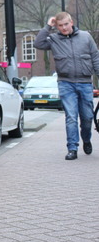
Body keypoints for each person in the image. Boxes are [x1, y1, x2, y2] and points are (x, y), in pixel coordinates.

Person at [35, 12, 99, 160]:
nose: (63, 28)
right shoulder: (53, 39)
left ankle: (87, 139)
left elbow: (95, 57)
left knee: (87, 117)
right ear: (56, 26)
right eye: (60, 25)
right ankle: (72, 148)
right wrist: (48, 26)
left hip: (85, 83)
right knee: (71, 117)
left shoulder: (86, 36)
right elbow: (38, 43)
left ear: (71, 22)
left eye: (66, 24)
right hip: (65, 83)